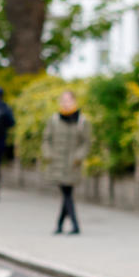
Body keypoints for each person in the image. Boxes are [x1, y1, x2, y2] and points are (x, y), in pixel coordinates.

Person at [42, 91, 91, 235]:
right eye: (63, 100)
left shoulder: (82, 121)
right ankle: (69, 225)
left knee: (67, 193)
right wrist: (48, 154)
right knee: (66, 193)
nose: (65, 103)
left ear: (75, 101)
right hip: (57, 163)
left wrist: (78, 157)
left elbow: (86, 143)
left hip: (72, 164)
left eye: (68, 100)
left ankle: (64, 225)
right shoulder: (54, 120)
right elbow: (46, 139)